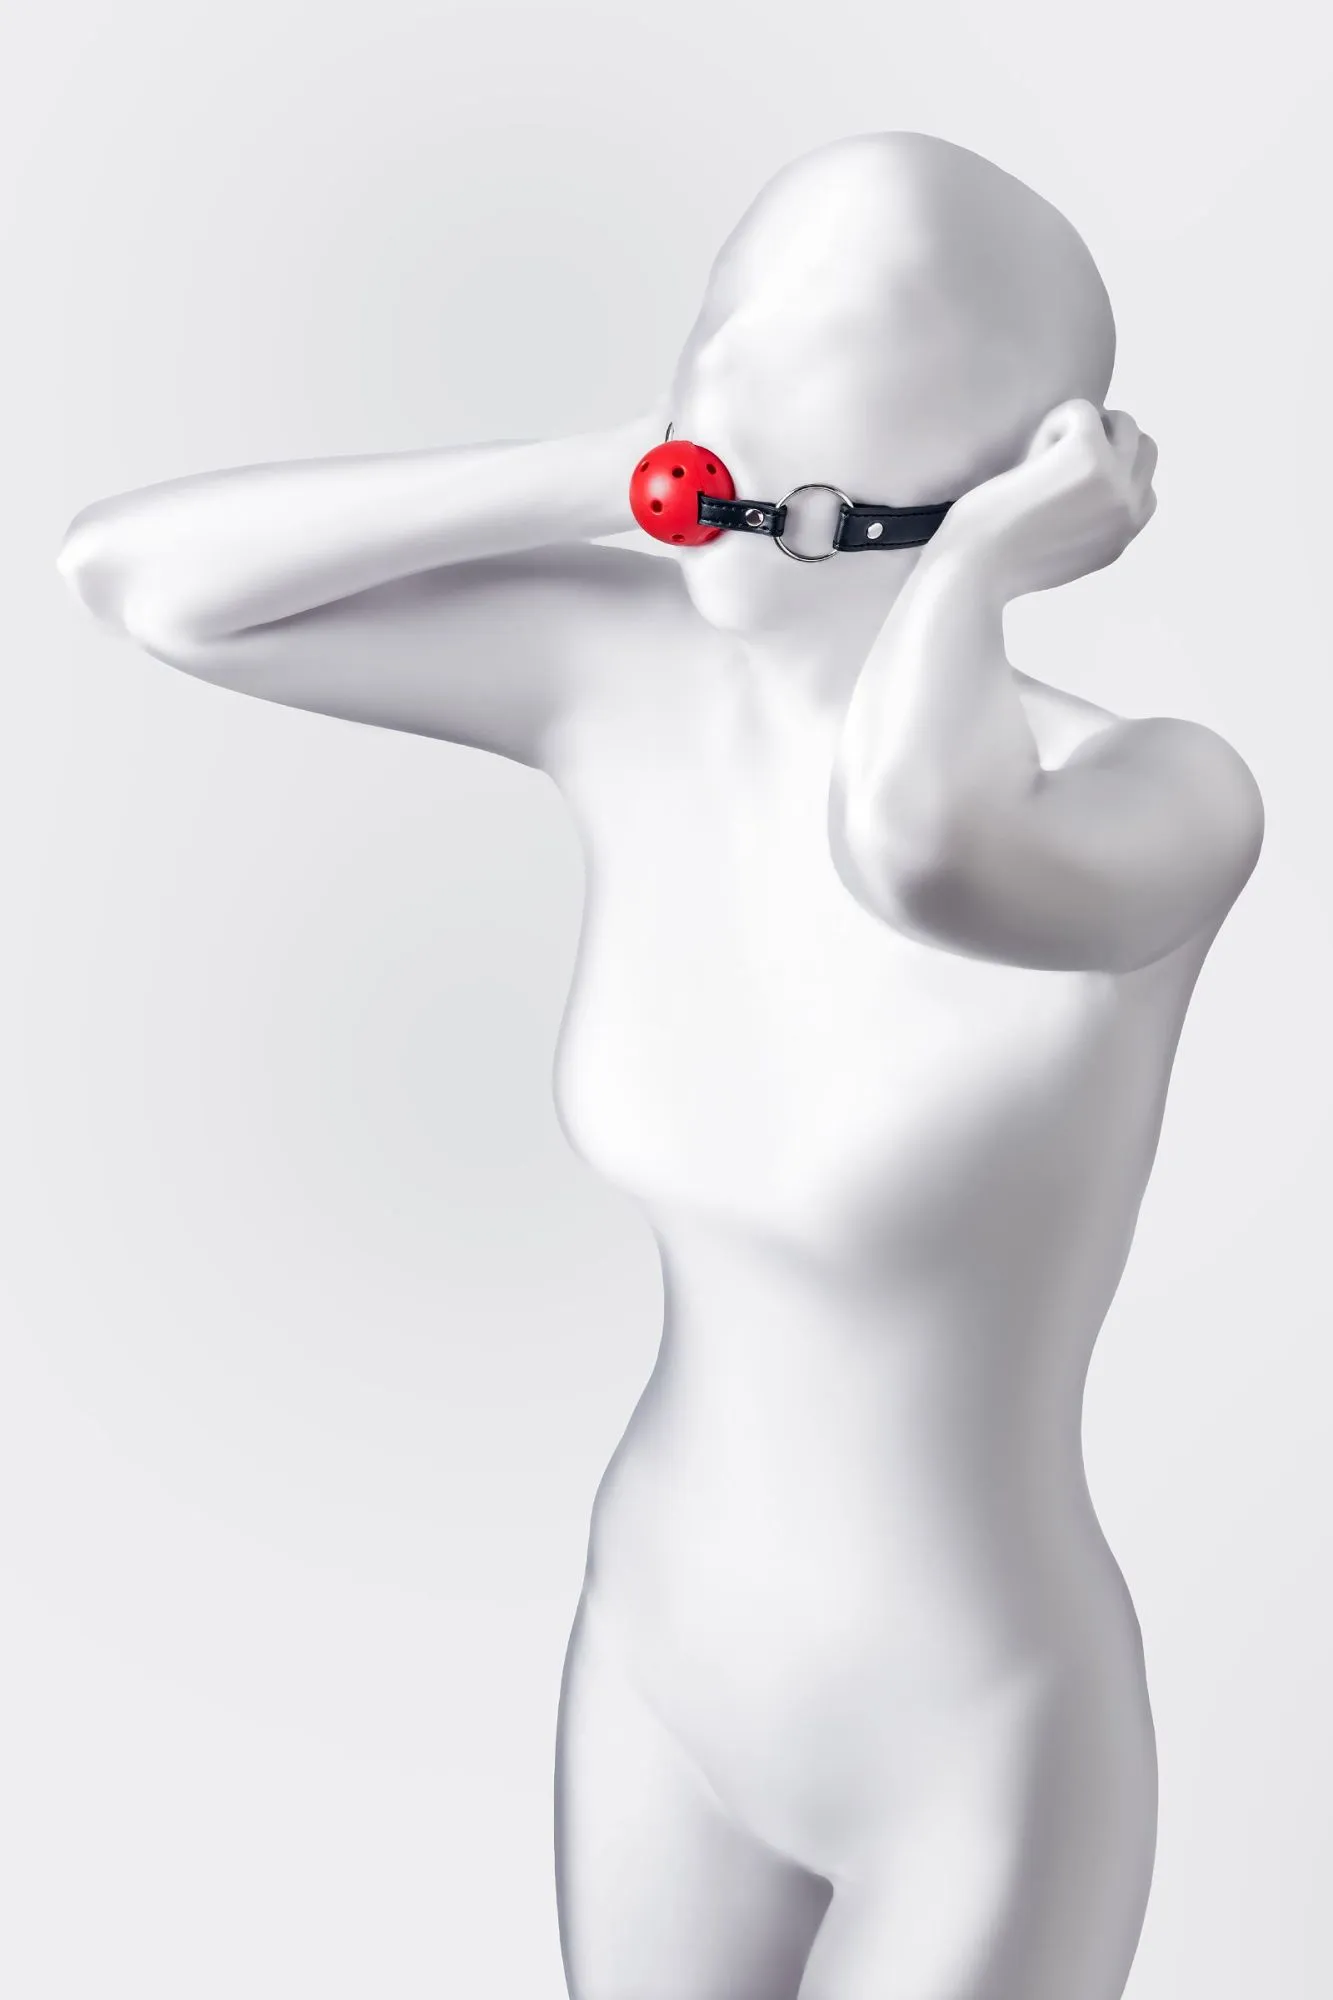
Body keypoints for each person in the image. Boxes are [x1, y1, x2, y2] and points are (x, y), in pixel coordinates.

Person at [56, 131, 1264, 2000]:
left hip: (975, 1749)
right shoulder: (626, 681)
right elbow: (142, 581)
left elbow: (921, 851)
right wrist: (610, 473)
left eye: (827, 327)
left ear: (1030, 446)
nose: (735, 364)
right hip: (659, 1668)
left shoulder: (1163, 793)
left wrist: (975, 563)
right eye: (727, 310)